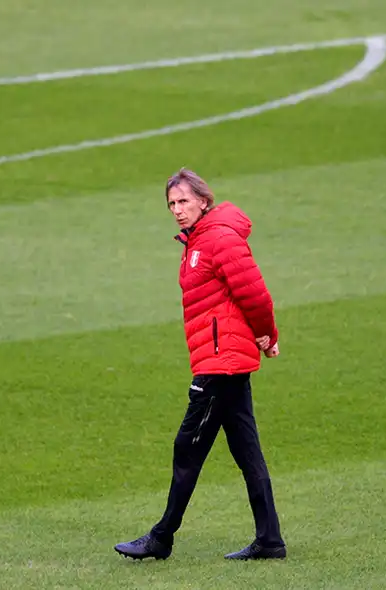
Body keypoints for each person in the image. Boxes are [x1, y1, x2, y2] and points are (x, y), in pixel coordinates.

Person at [114, 168, 286, 561]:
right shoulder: (198, 241)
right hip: (222, 358)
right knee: (247, 453)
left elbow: (255, 293)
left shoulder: (219, 239)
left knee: (187, 448)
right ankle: (270, 540)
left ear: (203, 201)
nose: (177, 210)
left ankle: (162, 538)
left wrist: (268, 335)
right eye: (171, 203)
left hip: (221, 362)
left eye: (184, 201)